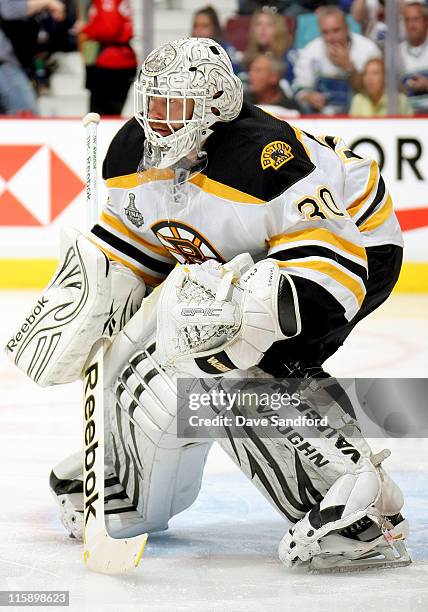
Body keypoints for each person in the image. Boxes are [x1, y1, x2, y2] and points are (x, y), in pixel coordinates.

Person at [8, 37, 409, 572]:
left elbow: (332, 272)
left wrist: (251, 315)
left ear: (216, 105)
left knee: (236, 344)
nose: (158, 121)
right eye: (151, 105)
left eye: (173, 108)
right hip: (244, 256)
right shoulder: (131, 152)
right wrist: (92, 292)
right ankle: (127, 480)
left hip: (358, 244)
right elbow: (135, 248)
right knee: (158, 344)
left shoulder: (268, 158)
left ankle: (361, 506)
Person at [293, 5, 381, 113]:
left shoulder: (368, 50)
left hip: (360, 118)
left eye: (336, 31)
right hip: (321, 118)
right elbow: (299, 89)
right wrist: (308, 96)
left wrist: (349, 68)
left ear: (347, 28)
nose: (331, 38)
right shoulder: (310, 51)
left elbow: (375, 93)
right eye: (325, 32)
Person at [0, 0, 65, 114]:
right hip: (3, 65)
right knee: (26, 115)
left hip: (17, 61)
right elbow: (8, 9)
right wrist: (47, 3)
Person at [77, 0, 137, 115]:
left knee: (99, 116)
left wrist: (85, 29)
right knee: (111, 114)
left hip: (110, 62)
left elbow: (109, 30)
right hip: (122, 59)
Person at [241, 6, 297, 86]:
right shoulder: (248, 57)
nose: (263, 29)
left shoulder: (289, 56)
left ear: (279, 29)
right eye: (258, 24)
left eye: (269, 25)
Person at [399, 0, 428, 114]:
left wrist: (426, 85)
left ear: (426, 21)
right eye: (407, 20)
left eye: (416, 20)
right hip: (406, 119)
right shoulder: (397, 52)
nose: (411, 25)